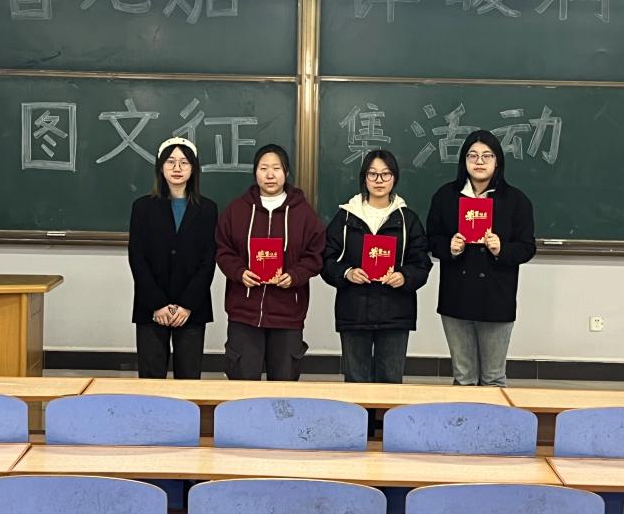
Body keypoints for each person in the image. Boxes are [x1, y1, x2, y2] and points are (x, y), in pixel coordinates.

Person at [426, 129, 535, 386]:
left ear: (497, 161)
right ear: (463, 160)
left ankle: (493, 415)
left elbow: (527, 247)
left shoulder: (516, 200)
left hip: (496, 296)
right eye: (472, 155)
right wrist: (449, 247)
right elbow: (431, 239)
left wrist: (501, 249)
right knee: (463, 375)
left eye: (487, 156)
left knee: (493, 377)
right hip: (456, 295)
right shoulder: (446, 196)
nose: (479, 161)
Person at [215, 143, 325, 380]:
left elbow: (315, 255)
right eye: (263, 168)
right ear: (255, 172)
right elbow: (223, 250)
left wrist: (294, 276)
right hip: (244, 312)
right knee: (243, 387)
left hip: (287, 314)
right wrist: (239, 272)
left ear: (286, 172)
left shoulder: (304, 214)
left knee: (283, 388)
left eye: (276, 168)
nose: (270, 174)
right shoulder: (237, 210)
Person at [322, 149, 431, 383]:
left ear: (395, 178)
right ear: (364, 178)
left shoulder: (407, 219)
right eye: (372, 174)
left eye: (385, 174)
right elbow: (326, 259)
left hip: (395, 312)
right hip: (354, 311)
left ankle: (385, 413)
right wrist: (347, 273)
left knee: (390, 383)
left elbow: (421, 262)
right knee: (355, 381)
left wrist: (404, 276)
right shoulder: (346, 217)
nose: (379, 180)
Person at [128, 137, 217, 379]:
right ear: (160, 167)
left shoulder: (208, 209)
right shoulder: (142, 207)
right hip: (151, 307)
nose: (177, 168)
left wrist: (187, 304)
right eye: (170, 161)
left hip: (191, 308)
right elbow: (137, 258)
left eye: (184, 162)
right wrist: (157, 303)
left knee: (188, 378)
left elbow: (208, 260)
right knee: (151, 379)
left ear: (193, 168)